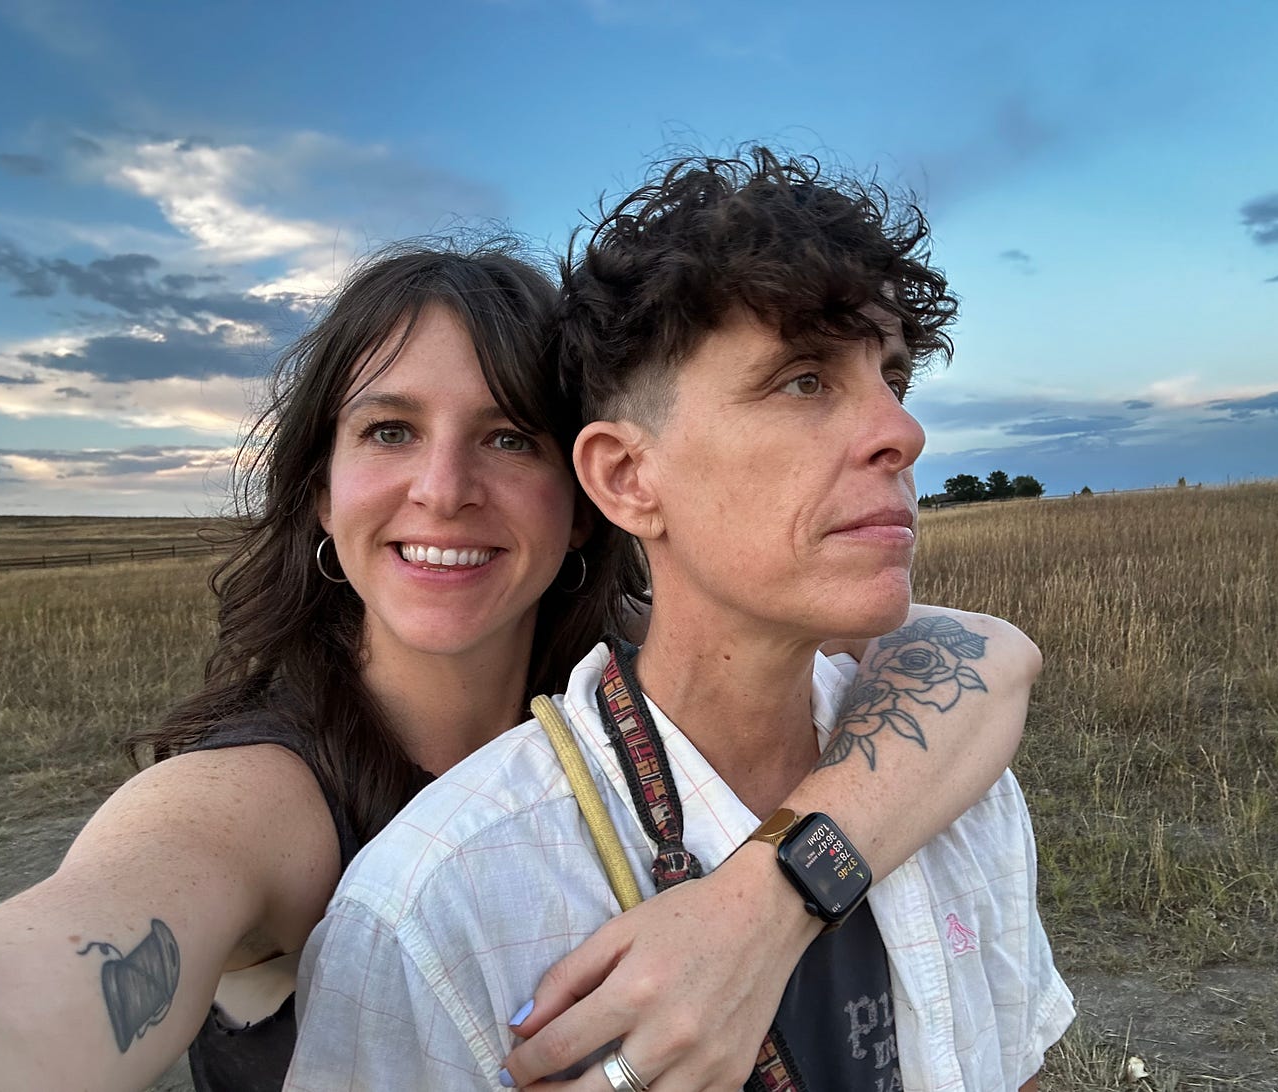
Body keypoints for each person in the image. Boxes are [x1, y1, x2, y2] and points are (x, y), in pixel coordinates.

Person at [0, 240, 1039, 1092]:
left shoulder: (633, 676)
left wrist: (766, 901)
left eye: (510, 437)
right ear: (321, 493)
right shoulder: (258, 796)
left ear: (590, 497)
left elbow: (987, 657)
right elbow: (40, 977)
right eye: (388, 431)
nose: (442, 489)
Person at [289, 151, 1073, 1092]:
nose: (902, 433)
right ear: (627, 478)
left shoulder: (954, 782)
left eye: (893, 380)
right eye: (804, 380)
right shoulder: (436, 909)